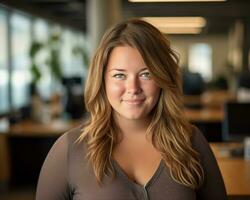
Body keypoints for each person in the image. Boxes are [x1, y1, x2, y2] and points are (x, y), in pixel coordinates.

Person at [36, 19, 227, 200]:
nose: (133, 88)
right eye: (119, 75)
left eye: (146, 74)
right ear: (102, 80)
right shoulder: (69, 150)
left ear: (162, 78)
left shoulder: (191, 142)